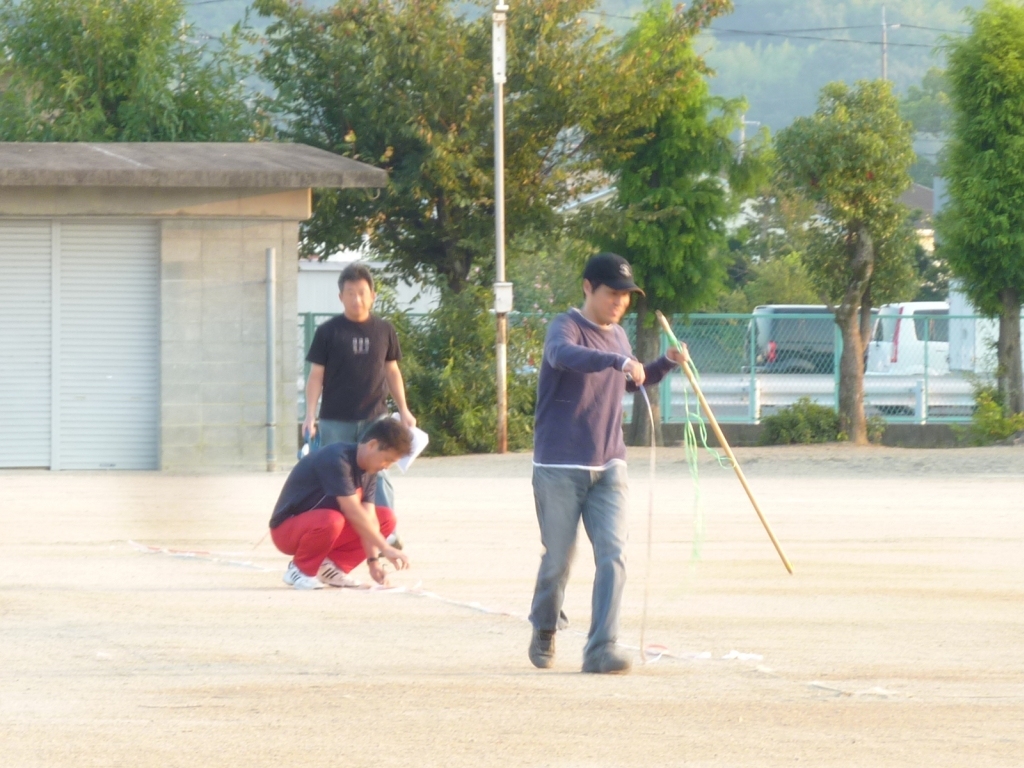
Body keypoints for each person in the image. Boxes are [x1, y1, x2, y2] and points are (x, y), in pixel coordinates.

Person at [527, 252, 690, 674]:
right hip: (559, 466)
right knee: (558, 559)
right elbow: (563, 355)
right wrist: (617, 361)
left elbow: (631, 382)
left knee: (613, 555)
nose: (620, 302)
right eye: (612, 293)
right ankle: (545, 624)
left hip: (610, 464)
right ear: (588, 287)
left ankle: (601, 649)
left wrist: (665, 364)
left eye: (626, 295)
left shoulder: (618, 336)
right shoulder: (564, 327)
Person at [302, 262, 416, 511]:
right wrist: (310, 414)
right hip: (335, 420)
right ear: (340, 297)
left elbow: (392, 371)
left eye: (362, 293)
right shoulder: (327, 332)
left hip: (375, 418)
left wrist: (404, 410)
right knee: (335, 476)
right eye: (350, 293)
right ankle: (337, 527)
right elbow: (316, 376)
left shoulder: (385, 330)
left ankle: (385, 527)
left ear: (373, 296)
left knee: (380, 474)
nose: (357, 299)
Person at [270, 418, 413, 589]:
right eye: (387, 460)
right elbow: (352, 510)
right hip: (286, 531)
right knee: (332, 519)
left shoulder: (369, 470)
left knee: (386, 518)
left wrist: (373, 562)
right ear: (372, 445)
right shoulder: (337, 458)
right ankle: (300, 570)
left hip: (323, 528)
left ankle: (329, 567)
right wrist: (385, 547)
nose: (387, 467)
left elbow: (369, 519)